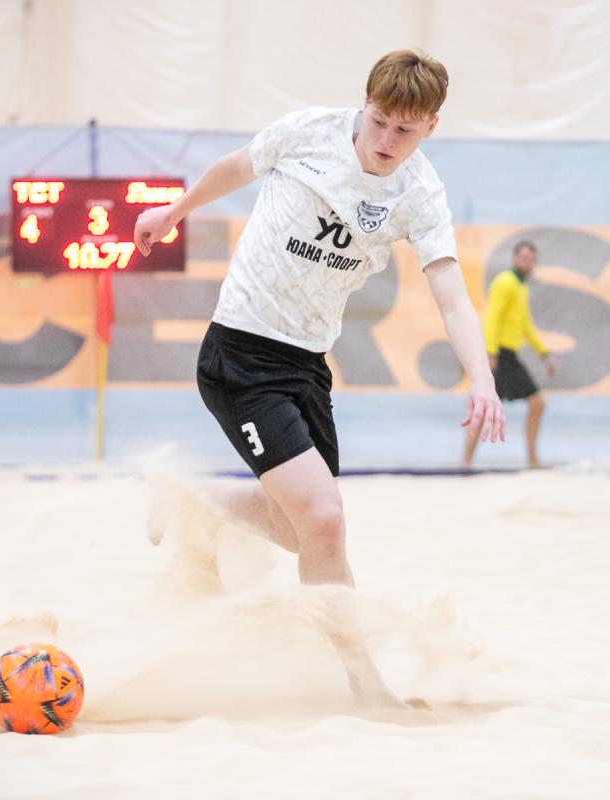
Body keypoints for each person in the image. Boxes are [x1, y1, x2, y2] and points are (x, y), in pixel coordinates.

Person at [134, 50, 505, 588]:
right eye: (378, 121)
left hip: (307, 363)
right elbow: (236, 167)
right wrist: (173, 212)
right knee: (326, 522)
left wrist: (482, 379)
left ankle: (194, 498)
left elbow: (452, 297)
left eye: (404, 130)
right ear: (365, 103)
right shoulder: (309, 133)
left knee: (298, 530)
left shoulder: (420, 194)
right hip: (240, 352)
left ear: (431, 126)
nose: (385, 140)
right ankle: (346, 645)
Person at [462, 240, 554, 469]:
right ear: (514, 259)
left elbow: (525, 325)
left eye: (532, 260)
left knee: (535, 404)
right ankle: (467, 461)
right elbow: (491, 318)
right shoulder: (505, 282)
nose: (528, 263)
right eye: (524, 258)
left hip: (510, 355)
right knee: (486, 408)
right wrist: (490, 353)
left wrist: (543, 353)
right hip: (500, 355)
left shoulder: (521, 287)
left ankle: (531, 459)